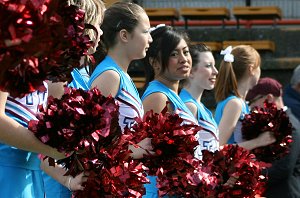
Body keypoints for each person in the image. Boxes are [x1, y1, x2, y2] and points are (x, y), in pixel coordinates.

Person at [41, 0, 106, 197]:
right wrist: (67, 180)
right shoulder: (59, 77)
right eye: (98, 26)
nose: (101, 34)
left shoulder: (80, 73)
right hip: (57, 186)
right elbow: (43, 140)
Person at [141, 25, 198, 197]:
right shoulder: (158, 97)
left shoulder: (172, 95)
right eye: (174, 54)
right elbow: (151, 151)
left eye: (186, 52)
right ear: (155, 62)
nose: (183, 59)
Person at [246, 77, 300, 198]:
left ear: (269, 98)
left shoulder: (290, 126)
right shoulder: (276, 123)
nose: (251, 109)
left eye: (252, 102)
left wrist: (249, 175)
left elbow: (283, 168)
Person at [214, 45, 275, 150]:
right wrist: (257, 142)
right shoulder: (234, 104)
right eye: (258, 66)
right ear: (251, 69)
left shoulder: (240, 102)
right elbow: (217, 147)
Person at [179, 43, 219, 159]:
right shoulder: (189, 106)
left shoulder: (198, 105)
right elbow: (186, 157)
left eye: (214, 66)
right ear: (190, 71)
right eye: (208, 66)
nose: (215, 71)